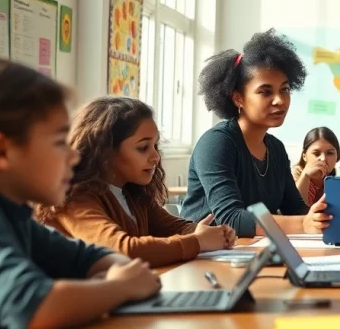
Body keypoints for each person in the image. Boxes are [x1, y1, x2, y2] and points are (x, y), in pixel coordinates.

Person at [0, 59, 160, 329]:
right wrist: (120, 286)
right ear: (0, 152)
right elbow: (32, 304)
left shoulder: (11, 214)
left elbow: (87, 256)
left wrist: (120, 273)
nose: (74, 156)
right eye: (59, 142)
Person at [37, 97, 237, 267]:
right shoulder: (73, 197)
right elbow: (123, 250)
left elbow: (171, 226)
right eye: (143, 148)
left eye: (155, 145)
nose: (155, 157)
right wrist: (198, 241)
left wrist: (211, 234)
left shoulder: (132, 191)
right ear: (105, 152)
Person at [181, 29, 330, 237]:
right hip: (202, 255)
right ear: (238, 98)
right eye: (265, 92)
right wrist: (304, 224)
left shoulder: (276, 149)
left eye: (285, 89)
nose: (280, 100)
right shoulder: (216, 143)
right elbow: (231, 219)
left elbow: (295, 209)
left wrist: (323, 217)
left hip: (250, 252)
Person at [292, 127, 340, 205]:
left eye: (330, 153)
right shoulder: (292, 177)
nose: (323, 159)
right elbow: (294, 208)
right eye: (316, 154)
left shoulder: (337, 181)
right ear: (304, 156)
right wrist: (305, 175)